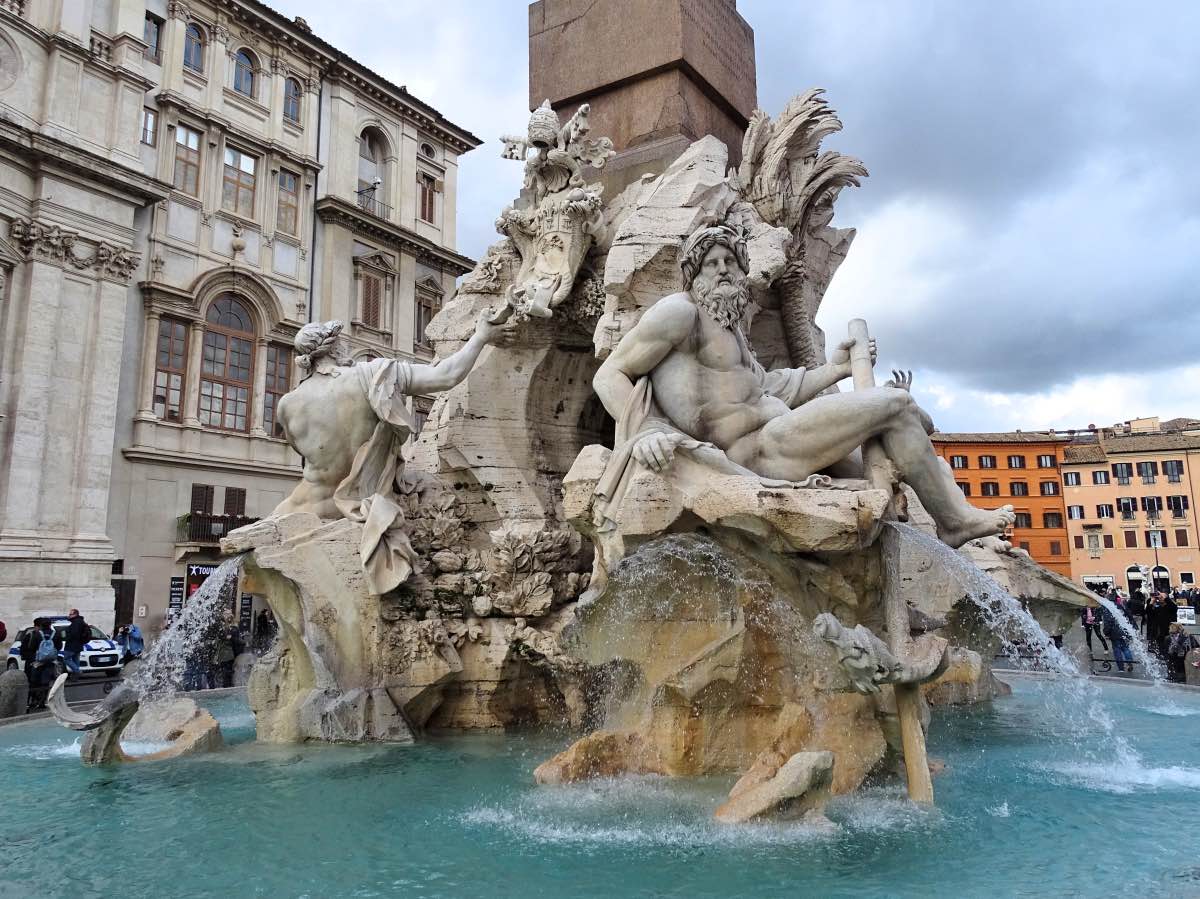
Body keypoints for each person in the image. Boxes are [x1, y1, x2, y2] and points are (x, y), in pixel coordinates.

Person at [591, 224, 1016, 547]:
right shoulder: (678, 314)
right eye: (711, 263)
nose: (723, 270)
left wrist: (834, 369)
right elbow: (609, 374)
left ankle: (952, 517)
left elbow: (772, 389)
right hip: (759, 451)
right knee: (897, 404)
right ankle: (955, 521)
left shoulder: (730, 328)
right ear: (694, 273)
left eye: (731, 262)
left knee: (907, 447)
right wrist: (646, 431)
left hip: (782, 435)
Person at [19, 617, 62, 711]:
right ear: (50, 625)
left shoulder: (37, 634)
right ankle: (42, 701)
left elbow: (31, 647)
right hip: (50, 661)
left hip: (38, 661)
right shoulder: (56, 634)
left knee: (34, 681)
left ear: (41, 625)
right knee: (45, 682)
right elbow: (59, 646)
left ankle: (33, 701)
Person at [1101, 600, 1133, 673]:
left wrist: (1106, 633)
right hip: (1124, 632)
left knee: (1117, 649)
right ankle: (1130, 663)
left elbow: (1108, 624)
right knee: (1125, 648)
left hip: (1115, 633)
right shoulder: (1120, 607)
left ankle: (1121, 668)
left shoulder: (1107, 610)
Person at [63, 609, 89, 676]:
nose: (69, 615)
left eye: (70, 614)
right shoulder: (80, 621)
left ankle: (77, 671)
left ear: (75, 614)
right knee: (76, 660)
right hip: (78, 645)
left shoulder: (76, 622)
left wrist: (67, 637)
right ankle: (75, 676)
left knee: (66, 659)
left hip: (72, 645)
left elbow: (74, 634)